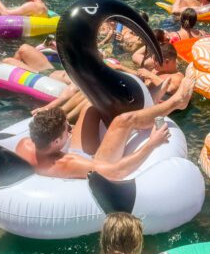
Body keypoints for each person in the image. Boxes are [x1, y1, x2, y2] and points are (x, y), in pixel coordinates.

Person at [12, 76, 194, 179]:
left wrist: (69, 132)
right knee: (124, 120)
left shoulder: (24, 144)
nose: (70, 129)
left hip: (70, 153)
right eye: (67, 129)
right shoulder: (69, 164)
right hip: (98, 162)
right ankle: (177, 102)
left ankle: (149, 103)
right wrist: (151, 144)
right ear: (56, 140)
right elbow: (116, 173)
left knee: (92, 107)